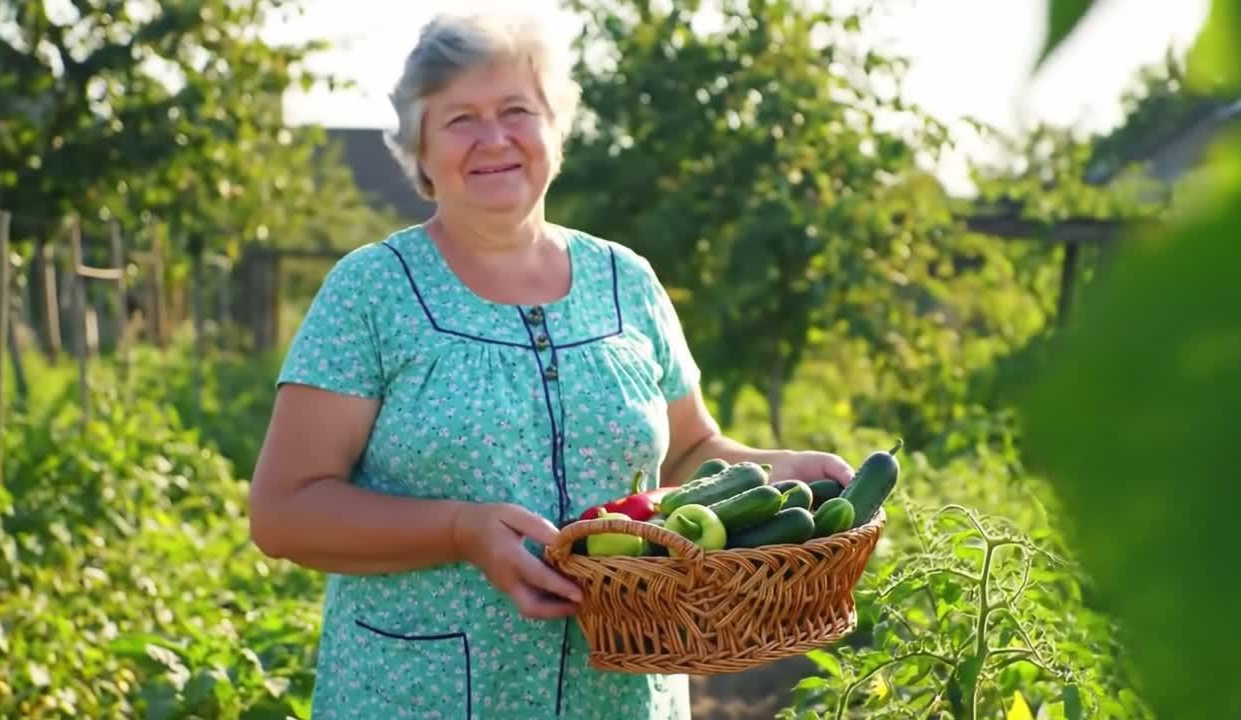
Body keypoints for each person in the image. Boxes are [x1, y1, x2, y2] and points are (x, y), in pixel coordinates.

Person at [247, 9, 855, 720]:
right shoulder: (372, 291)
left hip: (622, 696)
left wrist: (778, 469)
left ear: (555, 130)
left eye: (516, 110)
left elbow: (690, 451)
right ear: (419, 149)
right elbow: (284, 512)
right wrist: (457, 531)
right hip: (423, 695)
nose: (495, 138)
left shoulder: (626, 282)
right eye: (460, 119)